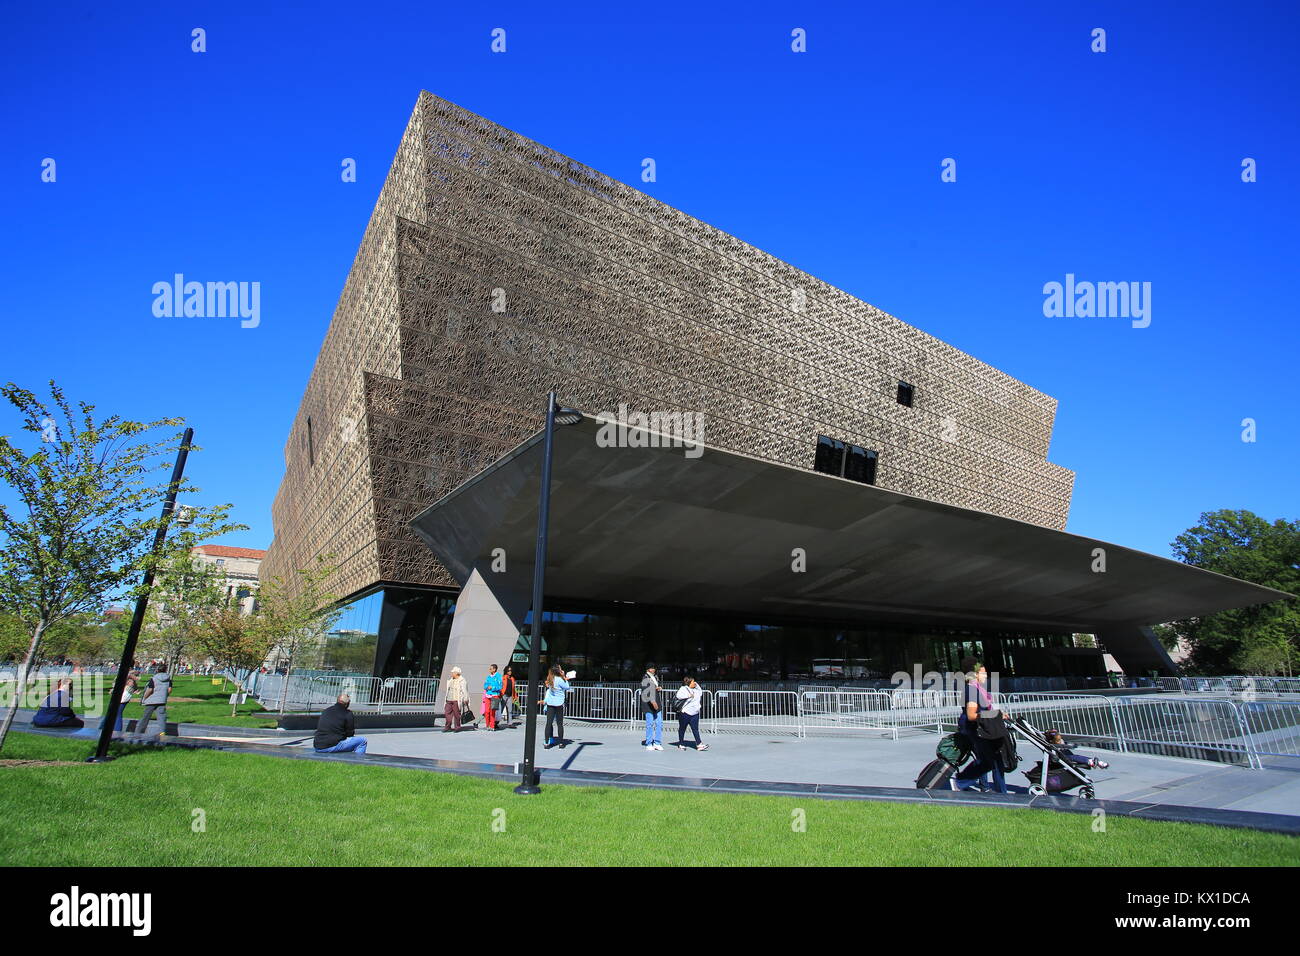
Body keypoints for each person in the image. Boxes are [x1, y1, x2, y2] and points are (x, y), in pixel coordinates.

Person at [952, 657, 1010, 793]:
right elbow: (972, 715)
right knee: (988, 761)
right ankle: (960, 782)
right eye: (983, 673)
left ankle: (1002, 792)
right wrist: (995, 715)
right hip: (977, 730)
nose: (986, 676)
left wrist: (997, 714)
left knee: (994, 761)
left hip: (983, 729)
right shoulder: (972, 690)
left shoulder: (977, 690)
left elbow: (982, 711)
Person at [135, 662, 172, 738]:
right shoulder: (168, 679)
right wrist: (164, 696)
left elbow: (150, 690)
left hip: (151, 701)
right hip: (161, 701)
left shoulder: (154, 678)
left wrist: (145, 697)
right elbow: (169, 689)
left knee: (145, 717)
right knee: (162, 717)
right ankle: (162, 733)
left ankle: (138, 732)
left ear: (157, 670)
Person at [1044, 729, 1110, 770]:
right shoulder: (1055, 746)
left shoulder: (1057, 743)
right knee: (1074, 757)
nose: (1061, 741)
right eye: (1058, 740)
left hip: (1064, 754)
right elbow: (1061, 746)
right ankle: (1091, 761)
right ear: (1052, 741)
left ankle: (1093, 761)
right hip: (1063, 757)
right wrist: (1070, 746)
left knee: (1076, 757)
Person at [674, 675, 708, 751]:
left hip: (695, 713)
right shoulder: (683, 689)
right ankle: (681, 743)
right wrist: (688, 695)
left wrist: (697, 685)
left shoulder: (695, 689)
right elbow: (679, 696)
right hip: (685, 713)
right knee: (682, 728)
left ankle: (699, 744)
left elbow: (700, 693)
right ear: (688, 682)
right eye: (693, 682)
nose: (694, 683)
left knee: (695, 729)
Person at [543, 665, 569, 748]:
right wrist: (563, 676)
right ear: (558, 671)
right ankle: (561, 743)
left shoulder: (550, 679)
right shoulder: (559, 679)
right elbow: (567, 687)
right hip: (559, 703)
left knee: (548, 723)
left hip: (551, 703)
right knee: (559, 724)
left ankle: (547, 742)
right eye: (560, 669)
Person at [640, 663, 663, 751]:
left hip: (657, 702)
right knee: (649, 724)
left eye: (654, 668)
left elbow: (653, 688)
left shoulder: (655, 677)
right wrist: (652, 701)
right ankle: (649, 743)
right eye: (651, 668)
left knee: (659, 723)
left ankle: (657, 742)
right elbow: (646, 692)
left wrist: (658, 688)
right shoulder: (645, 678)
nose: (653, 669)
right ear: (648, 669)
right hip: (648, 704)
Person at [443, 666, 469, 732]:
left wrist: (466, 698)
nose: (451, 673)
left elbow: (465, 690)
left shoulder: (462, 680)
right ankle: (447, 726)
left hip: (456, 700)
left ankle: (457, 727)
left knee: (457, 714)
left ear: (457, 673)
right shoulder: (451, 680)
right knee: (447, 713)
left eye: (453, 672)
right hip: (449, 699)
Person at [482, 664, 502, 731]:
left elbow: (500, 686)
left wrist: (492, 687)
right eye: (489, 669)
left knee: (492, 711)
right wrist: (487, 687)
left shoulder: (498, 676)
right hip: (488, 695)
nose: (489, 670)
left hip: (495, 695)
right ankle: (487, 725)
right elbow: (485, 685)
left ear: (494, 669)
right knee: (486, 711)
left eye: (491, 669)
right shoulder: (488, 677)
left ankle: (492, 726)